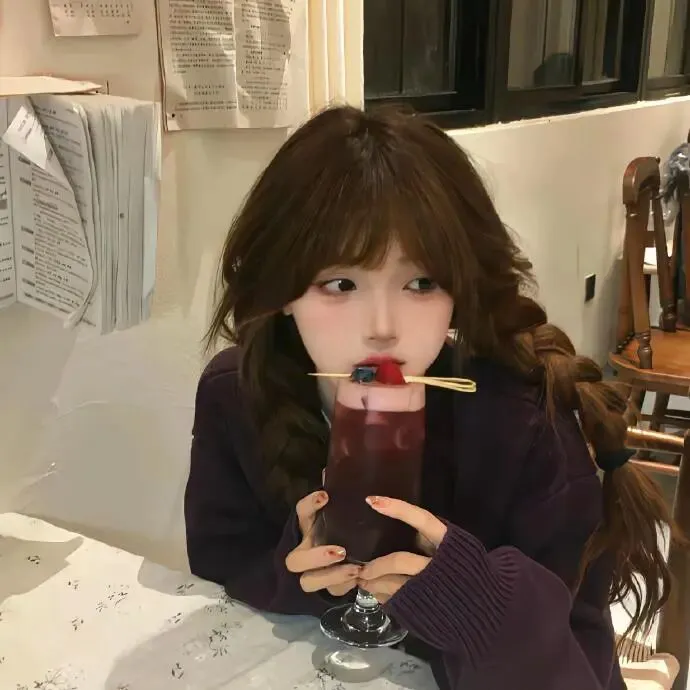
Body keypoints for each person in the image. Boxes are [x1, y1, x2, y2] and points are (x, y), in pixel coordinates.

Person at [184, 105, 679, 690]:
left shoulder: (524, 424)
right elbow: (224, 562)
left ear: (458, 291)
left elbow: (581, 667)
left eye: (421, 283)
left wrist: (476, 607)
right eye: (340, 283)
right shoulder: (237, 394)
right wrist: (299, 571)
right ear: (281, 291)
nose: (383, 328)